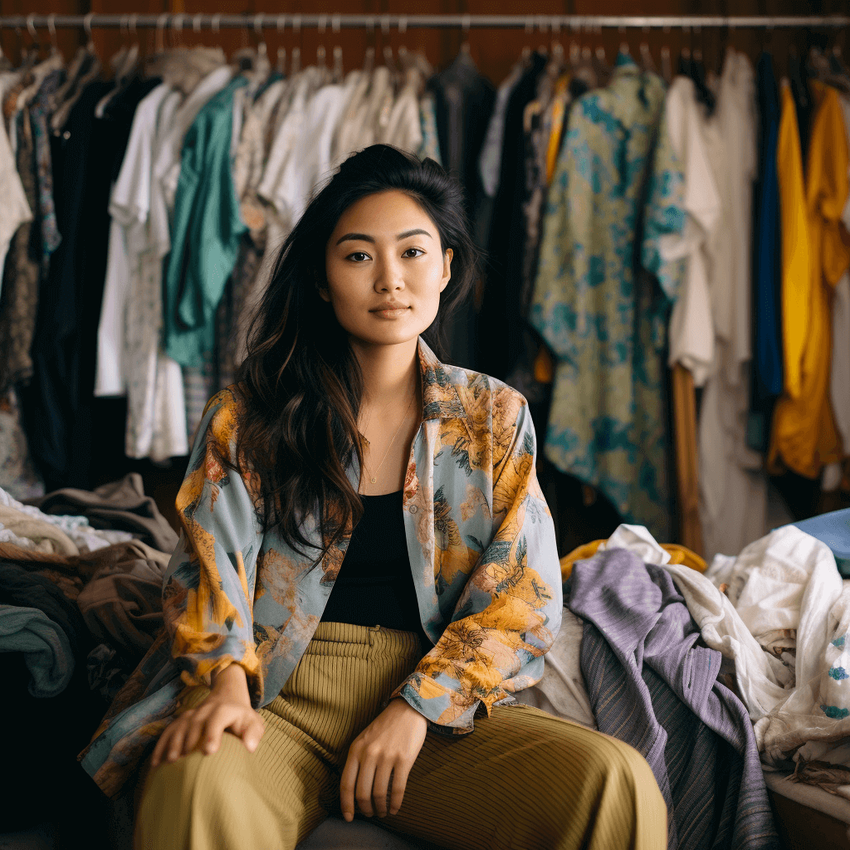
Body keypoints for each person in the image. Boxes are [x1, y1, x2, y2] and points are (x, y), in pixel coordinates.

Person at [80, 144, 666, 850]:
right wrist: (224, 684)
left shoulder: (493, 417)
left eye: (413, 252)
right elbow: (209, 568)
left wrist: (417, 709)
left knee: (614, 779)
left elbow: (523, 600)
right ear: (323, 280)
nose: (390, 279)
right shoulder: (250, 414)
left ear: (446, 267)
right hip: (273, 696)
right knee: (195, 782)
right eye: (357, 256)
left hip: (425, 706)